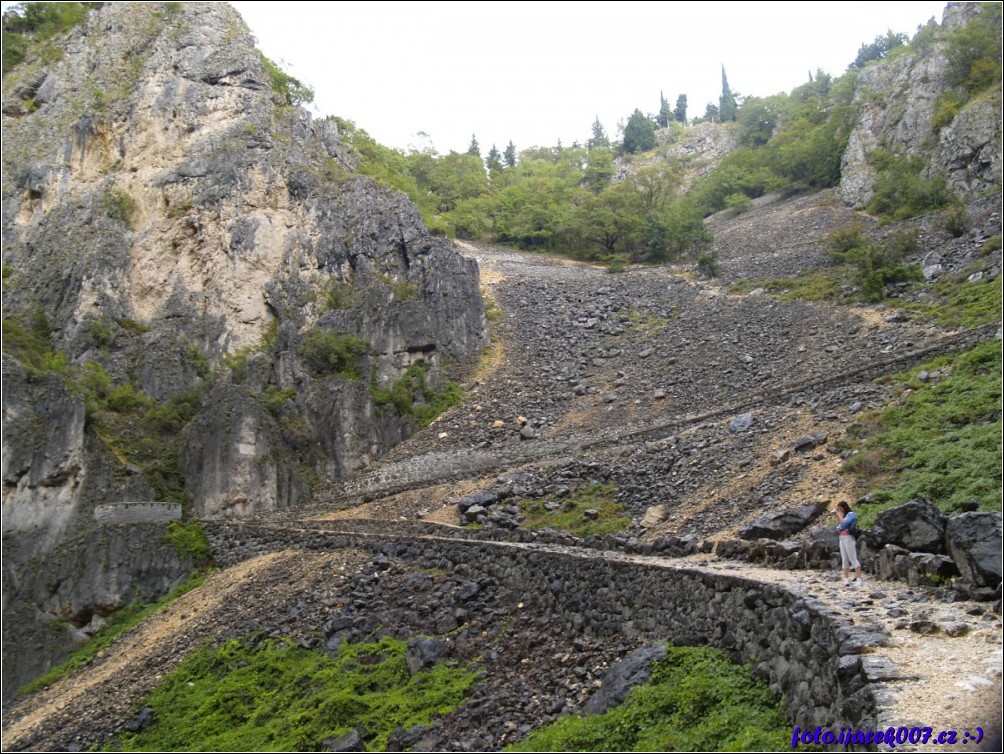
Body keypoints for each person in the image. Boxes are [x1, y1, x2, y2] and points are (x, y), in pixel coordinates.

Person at [834, 502, 863, 587]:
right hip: (842, 538)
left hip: (849, 537)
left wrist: (837, 514)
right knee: (844, 559)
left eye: (840, 508)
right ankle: (846, 579)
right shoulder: (843, 515)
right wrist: (837, 515)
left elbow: (844, 524)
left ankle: (859, 579)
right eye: (838, 508)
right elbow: (838, 525)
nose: (839, 510)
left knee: (852, 558)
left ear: (845, 507)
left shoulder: (851, 514)